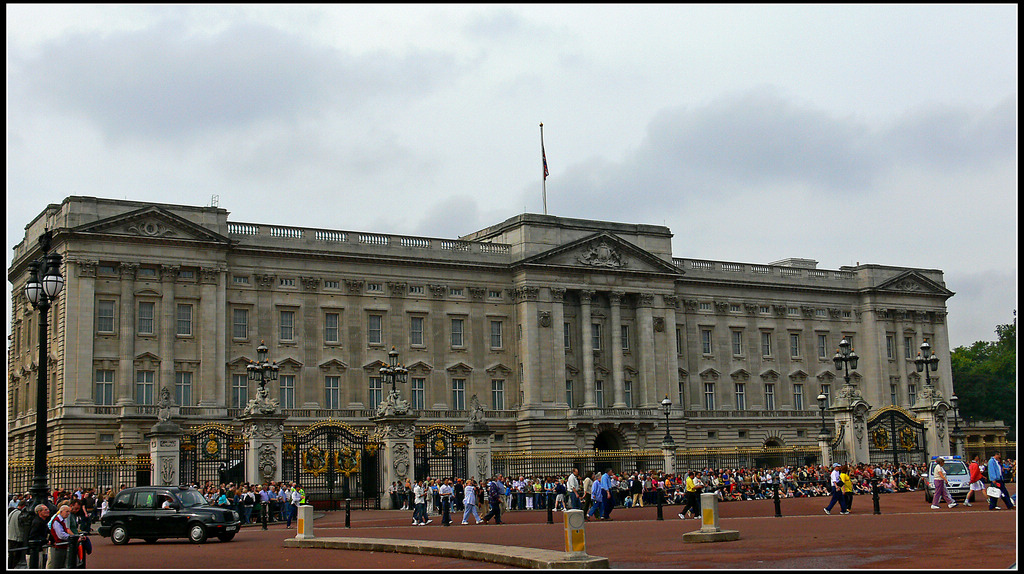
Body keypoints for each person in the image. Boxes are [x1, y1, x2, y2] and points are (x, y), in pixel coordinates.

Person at [47, 504, 72, 569]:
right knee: (57, 565)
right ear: (61, 512)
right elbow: (61, 535)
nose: (68, 513)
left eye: (69, 512)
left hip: (62, 546)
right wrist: (70, 537)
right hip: (58, 546)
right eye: (67, 511)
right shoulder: (57, 521)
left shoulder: (62, 520)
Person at [8, 498, 28, 569]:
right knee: (15, 557)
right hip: (16, 538)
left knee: (11, 556)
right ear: (23, 506)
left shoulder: (12, 512)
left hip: (10, 537)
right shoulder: (20, 514)